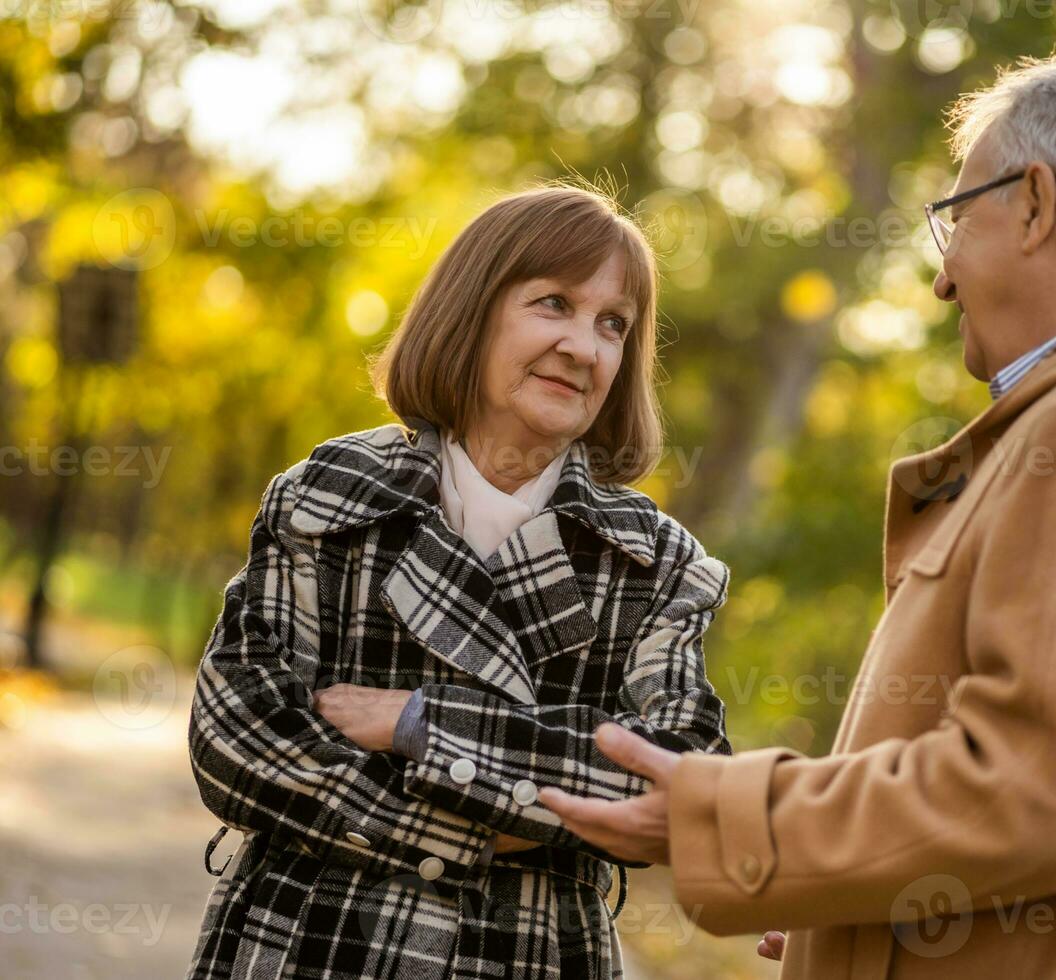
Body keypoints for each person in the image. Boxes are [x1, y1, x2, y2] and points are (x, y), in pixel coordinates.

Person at [539, 51, 1056, 978]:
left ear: (1037, 204)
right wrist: (848, 907)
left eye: (956, 221)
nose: (943, 279)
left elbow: (1036, 791)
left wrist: (726, 817)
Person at [185, 185, 731, 979]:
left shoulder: (656, 562)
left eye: (613, 323)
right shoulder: (329, 495)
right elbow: (237, 740)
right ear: (471, 311)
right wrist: (476, 833)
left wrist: (416, 722)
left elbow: (678, 777)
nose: (586, 347)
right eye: (553, 304)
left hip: (532, 957)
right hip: (308, 946)